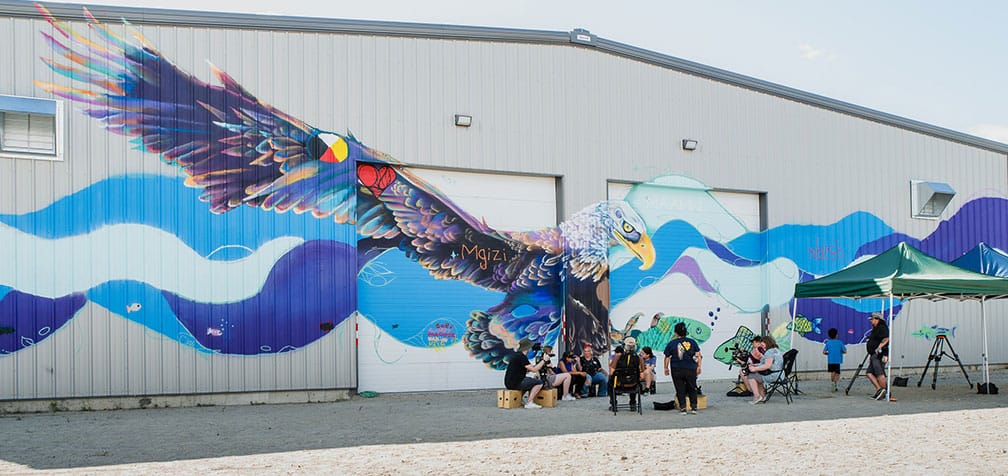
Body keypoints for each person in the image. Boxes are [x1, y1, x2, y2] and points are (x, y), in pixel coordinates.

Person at [663, 322, 702, 414]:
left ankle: (683, 407)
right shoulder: (692, 342)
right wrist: (699, 366)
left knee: (679, 388)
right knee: (692, 387)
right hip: (691, 368)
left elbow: (667, 357)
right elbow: (698, 355)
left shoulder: (672, 343)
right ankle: (694, 407)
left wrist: (666, 368)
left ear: (676, 333)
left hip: (677, 368)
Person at [503, 339, 549, 409]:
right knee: (539, 383)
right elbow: (534, 370)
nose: (531, 349)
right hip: (516, 383)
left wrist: (533, 367)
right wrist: (544, 360)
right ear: (527, 348)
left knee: (531, 381)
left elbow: (526, 370)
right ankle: (529, 402)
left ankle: (520, 399)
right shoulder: (522, 357)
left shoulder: (517, 355)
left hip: (510, 382)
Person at [609, 337, 645, 411]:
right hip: (633, 384)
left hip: (619, 384)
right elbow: (642, 376)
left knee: (610, 382)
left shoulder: (617, 356)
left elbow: (611, 372)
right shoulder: (639, 358)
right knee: (635, 378)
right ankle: (633, 403)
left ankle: (614, 404)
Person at [745, 335, 783, 404]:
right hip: (780, 375)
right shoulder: (776, 350)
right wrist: (755, 365)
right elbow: (768, 364)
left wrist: (754, 369)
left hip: (773, 376)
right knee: (757, 376)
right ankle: (762, 396)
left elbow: (767, 365)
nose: (762, 345)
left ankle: (757, 396)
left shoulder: (769, 352)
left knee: (751, 375)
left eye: (762, 344)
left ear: (767, 342)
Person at [866, 312, 890, 400]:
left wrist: (879, 347)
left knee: (879, 373)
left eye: (872, 319)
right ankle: (879, 390)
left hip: (879, 354)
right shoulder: (875, 329)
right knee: (869, 373)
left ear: (877, 319)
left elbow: (886, 339)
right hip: (873, 355)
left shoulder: (882, 328)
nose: (871, 321)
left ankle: (886, 392)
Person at [822, 327, 847, 392]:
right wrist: (840, 352)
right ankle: (835, 384)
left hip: (830, 360)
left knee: (832, 372)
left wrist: (829, 354)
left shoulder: (828, 343)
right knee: (837, 373)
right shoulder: (840, 342)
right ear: (836, 335)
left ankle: (832, 383)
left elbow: (824, 352)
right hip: (838, 360)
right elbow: (845, 351)